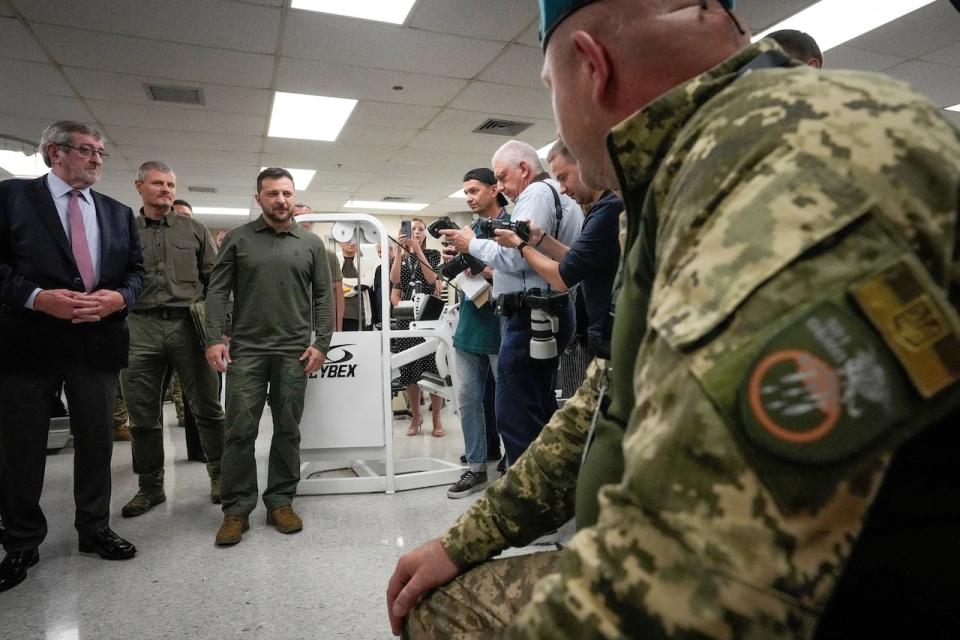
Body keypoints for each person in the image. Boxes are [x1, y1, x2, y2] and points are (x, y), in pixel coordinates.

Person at [387, 1, 960, 638]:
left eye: (551, 90)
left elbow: (702, 577)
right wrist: (468, 540)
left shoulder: (800, 159)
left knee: (439, 618)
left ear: (590, 66)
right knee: (439, 589)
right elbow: (606, 396)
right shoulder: (683, 174)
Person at [0, 120, 143, 592]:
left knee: (97, 442)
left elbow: (138, 275)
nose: (97, 159)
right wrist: (39, 297)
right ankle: (21, 539)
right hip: (28, 342)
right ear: (53, 154)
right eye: (86, 150)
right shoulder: (12, 199)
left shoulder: (119, 214)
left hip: (96, 343)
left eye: (100, 151)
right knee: (21, 446)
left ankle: (94, 528)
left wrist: (117, 299)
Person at [204, 167, 333, 546]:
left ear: (294, 197)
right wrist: (214, 338)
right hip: (247, 351)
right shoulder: (239, 240)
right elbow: (217, 290)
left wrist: (321, 342)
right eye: (273, 194)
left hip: (294, 352)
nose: (281, 200)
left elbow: (324, 297)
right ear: (258, 198)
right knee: (239, 430)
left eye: (287, 194)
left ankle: (280, 500)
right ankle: (236, 510)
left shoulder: (310, 244)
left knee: (288, 429)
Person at [440, 140, 583, 467]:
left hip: (530, 315)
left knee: (514, 410)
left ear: (524, 169)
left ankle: (525, 494)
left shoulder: (535, 194)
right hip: (552, 311)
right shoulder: (563, 195)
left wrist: (472, 244)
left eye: (503, 177)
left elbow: (514, 256)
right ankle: (550, 481)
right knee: (539, 403)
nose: (501, 186)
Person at [119, 161, 225, 517]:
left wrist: (217, 332)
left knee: (208, 408)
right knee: (142, 414)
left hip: (188, 325)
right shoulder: (124, 230)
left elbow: (216, 283)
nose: (166, 190)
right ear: (139, 186)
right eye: (157, 183)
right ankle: (150, 487)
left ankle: (221, 478)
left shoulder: (194, 230)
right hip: (139, 326)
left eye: (170, 184)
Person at [496, 138, 622, 360]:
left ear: (586, 165)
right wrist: (541, 239)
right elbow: (577, 260)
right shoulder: (600, 210)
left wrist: (520, 244)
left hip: (610, 330)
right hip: (600, 327)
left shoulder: (609, 210)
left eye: (564, 178)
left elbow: (563, 278)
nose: (562, 189)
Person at [446, 168, 509, 498]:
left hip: (502, 325)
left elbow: (516, 271)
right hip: (470, 324)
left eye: (474, 190)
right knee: (468, 400)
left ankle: (514, 461)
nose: (469, 196)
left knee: (507, 401)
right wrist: (458, 260)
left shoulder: (511, 224)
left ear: (495, 189)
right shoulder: (468, 230)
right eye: (465, 191)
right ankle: (475, 467)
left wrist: (480, 264)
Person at [390, 218, 444, 436]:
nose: (417, 232)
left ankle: (437, 419)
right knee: (409, 370)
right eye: (413, 229)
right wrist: (398, 250)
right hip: (405, 319)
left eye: (421, 229)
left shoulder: (432, 255)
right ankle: (416, 417)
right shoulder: (399, 257)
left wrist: (417, 251)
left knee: (433, 368)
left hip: (428, 318)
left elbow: (432, 279)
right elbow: (395, 281)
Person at [292, 203, 344, 331]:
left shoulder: (328, 256)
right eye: (298, 217)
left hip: (318, 324)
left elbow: (337, 296)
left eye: (309, 219)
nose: (304, 222)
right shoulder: (280, 254)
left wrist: (337, 329)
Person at [338, 239, 374, 331]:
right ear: (339, 243)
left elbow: (367, 283)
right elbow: (332, 285)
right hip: (339, 315)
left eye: (355, 240)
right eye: (348, 240)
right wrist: (357, 286)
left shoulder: (367, 263)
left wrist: (342, 283)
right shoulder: (333, 261)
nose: (352, 243)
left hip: (361, 315)